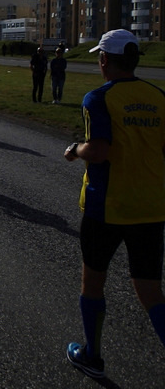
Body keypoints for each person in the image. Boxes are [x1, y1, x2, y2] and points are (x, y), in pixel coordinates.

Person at [63, 29, 165, 379]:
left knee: (93, 282)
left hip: (105, 206)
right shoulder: (158, 96)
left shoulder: (98, 98)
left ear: (104, 60)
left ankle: (92, 355)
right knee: (150, 290)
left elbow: (99, 150)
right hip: (152, 205)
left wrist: (75, 150)